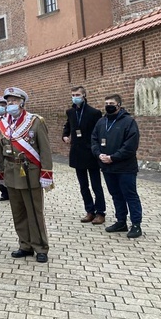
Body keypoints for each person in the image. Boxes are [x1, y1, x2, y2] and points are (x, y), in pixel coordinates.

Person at [0, 87, 53, 263]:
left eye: (14, 100)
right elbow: (0, 150)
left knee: (34, 212)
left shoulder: (35, 121)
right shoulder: (3, 124)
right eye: (8, 101)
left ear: (22, 102)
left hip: (30, 173)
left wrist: (46, 174)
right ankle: (25, 245)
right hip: (12, 172)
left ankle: (40, 247)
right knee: (18, 212)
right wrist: (2, 173)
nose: (10, 104)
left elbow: (45, 149)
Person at [91, 94, 142, 239]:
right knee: (116, 195)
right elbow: (94, 140)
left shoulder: (128, 122)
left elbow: (131, 145)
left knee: (130, 195)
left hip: (125, 167)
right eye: (106, 103)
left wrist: (113, 157)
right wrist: (99, 154)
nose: (108, 105)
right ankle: (121, 221)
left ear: (119, 105)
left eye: (111, 103)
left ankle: (136, 224)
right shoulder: (101, 122)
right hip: (107, 167)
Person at [62, 86, 105, 225]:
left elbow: (99, 132)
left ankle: (100, 212)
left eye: (78, 94)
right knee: (83, 185)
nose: (75, 97)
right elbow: (68, 126)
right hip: (77, 152)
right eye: (73, 94)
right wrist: (65, 136)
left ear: (84, 95)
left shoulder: (94, 113)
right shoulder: (70, 111)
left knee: (96, 185)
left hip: (91, 153)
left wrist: (98, 149)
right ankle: (89, 210)